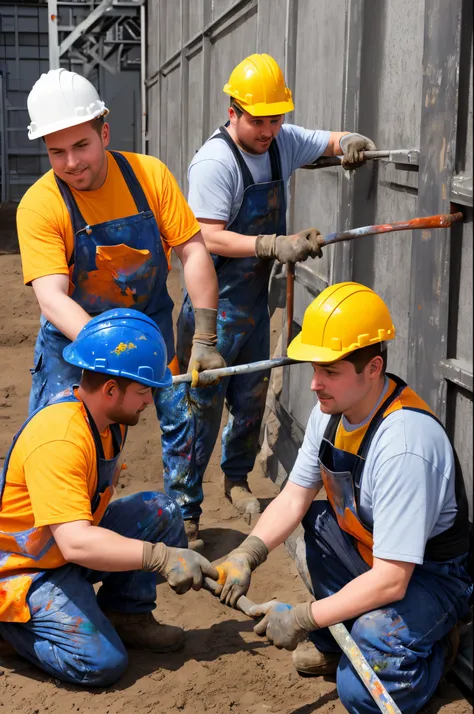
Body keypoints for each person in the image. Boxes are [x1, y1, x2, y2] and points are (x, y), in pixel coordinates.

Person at [211, 282, 472, 713]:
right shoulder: (330, 413)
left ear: (373, 368)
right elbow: (294, 497)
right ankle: (337, 640)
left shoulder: (404, 443)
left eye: (330, 372)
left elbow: (393, 578)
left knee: (361, 692)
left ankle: (438, 649)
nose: (314, 384)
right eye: (315, 369)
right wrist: (246, 554)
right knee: (318, 519)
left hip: (429, 575)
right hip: (373, 550)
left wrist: (302, 617)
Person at [172, 53, 377, 544]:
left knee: (250, 400)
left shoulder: (282, 142)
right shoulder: (216, 162)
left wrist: (349, 142)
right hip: (212, 307)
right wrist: (271, 244)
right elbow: (204, 239)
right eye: (257, 119)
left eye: (275, 118)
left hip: (254, 305)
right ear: (233, 112)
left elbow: (325, 140)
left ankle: (236, 479)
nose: (267, 130)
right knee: (200, 408)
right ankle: (184, 507)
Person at [16, 68, 225, 544]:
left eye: (81, 146)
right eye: (56, 152)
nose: (70, 162)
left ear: (104, 132)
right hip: (75, 345)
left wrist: (206, 338)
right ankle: (49, 546)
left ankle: (180, 519)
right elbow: (52, 296)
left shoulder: (149, 176)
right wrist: (109, 355)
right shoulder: (40, 205)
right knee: (63, 442)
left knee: (187, 409)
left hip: (149, 329)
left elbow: (194, 252)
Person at [0, 309, 218, 687]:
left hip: (63, 544)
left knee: (162, 513)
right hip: (25, 569)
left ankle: (126, 615)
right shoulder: (61, 439)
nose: (150, 400)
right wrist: (160, 558)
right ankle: (12, 629)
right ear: (111, 390)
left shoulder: (108, 420)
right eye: (143, 390)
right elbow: (77, 543)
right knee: (101, 662)